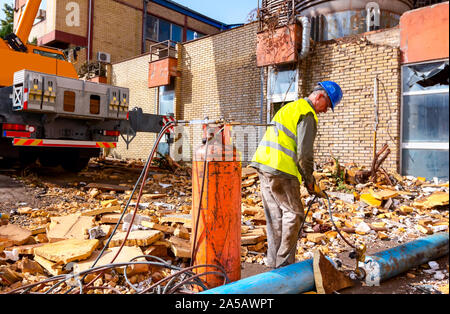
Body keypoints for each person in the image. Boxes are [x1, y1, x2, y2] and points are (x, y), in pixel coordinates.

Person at [250, 81, 343, 269]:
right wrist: (309, 181)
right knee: (294, 214)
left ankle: (272, 262)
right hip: (282, 170)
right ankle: (284, 264)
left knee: (275, 217)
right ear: (319, 97)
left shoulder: (290, 107)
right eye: (327, 106)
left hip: (264, 165)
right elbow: (304, 155)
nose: (325, 111)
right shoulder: (307, 113)